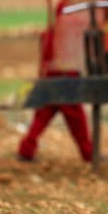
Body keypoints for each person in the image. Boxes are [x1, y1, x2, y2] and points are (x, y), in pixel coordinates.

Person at [17, 17, 93, 163]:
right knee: (77, 120)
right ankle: (88, 153)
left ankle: (26, 150)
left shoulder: (49, 33)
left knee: (41, 118)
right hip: (65, 80)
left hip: (49, 79)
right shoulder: (67, 35)